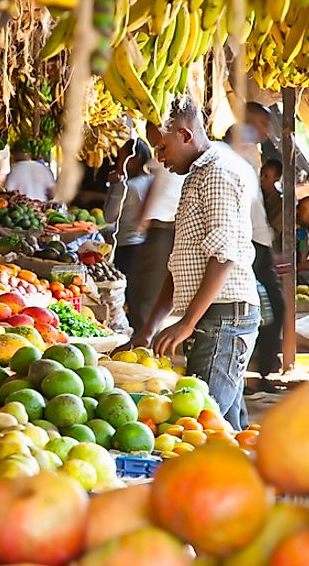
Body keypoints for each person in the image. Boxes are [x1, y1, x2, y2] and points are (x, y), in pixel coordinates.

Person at [131, 97, 261, 430]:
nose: (158, 159)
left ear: (185, 136)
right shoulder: (195, 174)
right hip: (213, 316)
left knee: (200, 424)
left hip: (224, 317)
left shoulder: (218, 173)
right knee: (220, 423)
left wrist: (187, 322)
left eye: (161, 148)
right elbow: (182, 264)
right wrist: (147, 330)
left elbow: (224, 255)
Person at [224, 126, 285, 381]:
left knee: (273, 307)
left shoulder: (247, 169)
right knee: (254, 308)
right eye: (253, 143)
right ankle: (255, 367)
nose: (257, 149)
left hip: (259, 243)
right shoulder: (229, 167)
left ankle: (264, 367)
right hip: (248, 244)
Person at [130, 149, 184, 335]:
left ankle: (145, 344)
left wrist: (142, 219)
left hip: (163, 228)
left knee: (147, 292)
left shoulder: (171, 153)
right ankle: (145, 338)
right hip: (166, 228)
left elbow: (156, 189)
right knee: (148, 290)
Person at [103, 138, 154, 293]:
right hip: (149, 246)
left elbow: (109, 216)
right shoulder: (154, 181)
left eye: (121, 158)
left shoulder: (127, 186)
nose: (118, 162)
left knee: (127, 295)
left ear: (134, 159)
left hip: (128, 248)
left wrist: (115, 184)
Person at [261, 158, 284, 253]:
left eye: (266, 177)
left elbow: (273, 234)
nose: (261, 179)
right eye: (261, 175)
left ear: (277, 179)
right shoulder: (258, 198)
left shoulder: (281, 206)